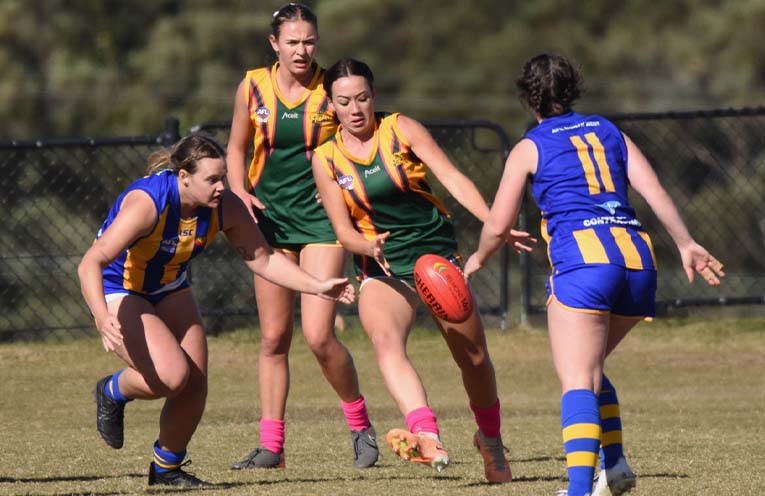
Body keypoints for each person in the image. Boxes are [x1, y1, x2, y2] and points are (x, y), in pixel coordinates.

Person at [463, 53, 725, 496]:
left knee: (578, 380)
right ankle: (615, 464)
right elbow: (653, 190)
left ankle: (579, 490)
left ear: (528, 97)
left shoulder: (529, 146)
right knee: (590, 369)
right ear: (572, 89)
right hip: (637, 261)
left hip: (585, 264)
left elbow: (497, 224)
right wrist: (685, 243)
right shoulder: (609, 130)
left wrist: (480, 258)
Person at [78, 134, 355, 487]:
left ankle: (166, 469)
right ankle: (112, 390)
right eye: (211, 179)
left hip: (170, 285)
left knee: (195, 382)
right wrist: (103, 317)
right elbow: (90, 262)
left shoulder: (226, 206)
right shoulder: (149, 203)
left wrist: (316, 286)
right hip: (120, 287)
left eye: (223, 177)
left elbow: (264, 260)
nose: (221, 186)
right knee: (172, 377)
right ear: (184, 177)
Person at [311, 58, 535, 484]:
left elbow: (452, 178)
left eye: (362, 98)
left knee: (474, 358)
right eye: (344, 101)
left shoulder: (401, 129)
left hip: (435, 259)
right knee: (385, 341)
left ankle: (490, 440)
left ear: (373, 96)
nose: (355, 109)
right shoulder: (326, 159)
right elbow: (342, 230)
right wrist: (367, 245)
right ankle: (427, 435)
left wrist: (497, 224)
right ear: (331, 105)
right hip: (381, 265)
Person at [225, 3, 379, 470]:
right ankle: (271, 448)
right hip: (269, 224)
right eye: (292, 41)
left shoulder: (330, 88)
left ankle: (360, 426)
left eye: (309, 41)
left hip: (320, 225)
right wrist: (239, 192)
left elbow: (363, 138)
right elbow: (236, 147)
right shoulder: (253, 86)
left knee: (318, 336)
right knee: (274, 337)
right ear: (274, 43)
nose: (301, 50)